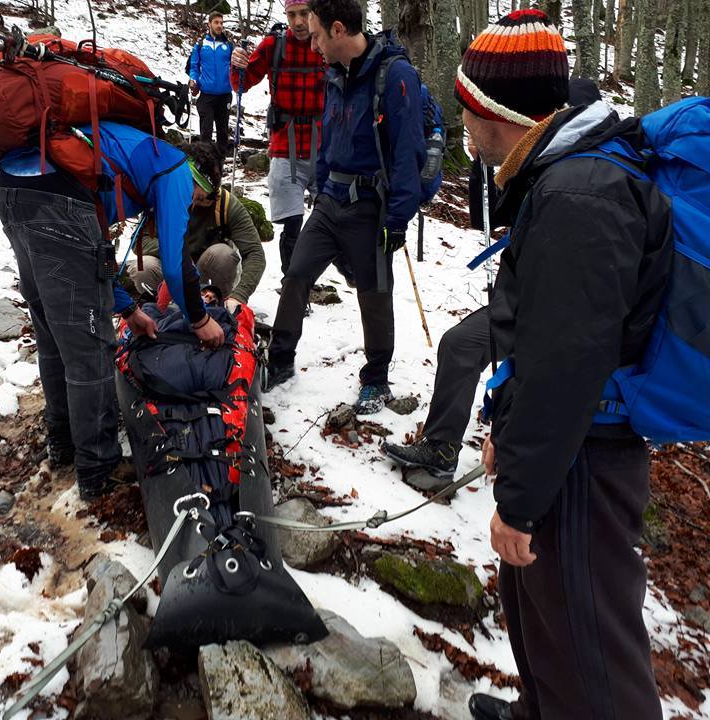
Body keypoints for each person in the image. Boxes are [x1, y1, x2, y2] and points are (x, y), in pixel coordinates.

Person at [450, 10, 671, 720]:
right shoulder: (558, 170)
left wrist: (520, 498)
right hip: (564, 450)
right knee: (540, 611)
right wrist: (505, 434)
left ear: (498, 112)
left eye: (468, 106)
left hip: (585, 457)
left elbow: (565, 368)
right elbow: (540, 341)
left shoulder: (581, 196)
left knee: (592, 652)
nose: (463, 120)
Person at [382, 78, 603, 486]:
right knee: (460, 344)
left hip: (565, 320)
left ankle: (541, 472)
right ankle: (442, 447)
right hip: (524, 302)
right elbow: (486, 216)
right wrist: (481, 162)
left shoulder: (585, 177)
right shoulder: (542, 165)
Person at [0, 125, 224, 502]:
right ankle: (98, 467)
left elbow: (95, 252)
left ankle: (63, 442)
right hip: (57, 202)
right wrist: (200, 319)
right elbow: (173, 264)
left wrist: (129, 309)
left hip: (14, 190)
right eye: (198, 200)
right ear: (203, 182)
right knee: (91, 346)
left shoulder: (130, 157)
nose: (191, 206)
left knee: (55, 334)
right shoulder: (177, 171)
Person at [262, 0, 426, 415]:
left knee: (373, 293)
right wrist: (320, 181)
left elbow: (408, 154)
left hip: (369, 207)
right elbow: (328, 134)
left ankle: (376, 379)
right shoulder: (334, 72)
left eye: (316, 34)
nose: (311, 43)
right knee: (297, 273)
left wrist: (398, 220)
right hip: (329, 199)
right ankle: (280, 361)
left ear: (337, 30)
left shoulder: (395, 75)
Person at [229, 0, 326, 275]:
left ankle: (316, 274)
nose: (298, 22)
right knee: (293, 222)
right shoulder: (275, 46)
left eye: (304, 14)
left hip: (324, 146)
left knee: (328, 219)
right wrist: (237, 63)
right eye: (292, 14)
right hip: (285, 145)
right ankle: (293, 282)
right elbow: (241, 84)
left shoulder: (326, 43)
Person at [126, 142, 266, 309]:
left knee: (223, 254)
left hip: (206, 274)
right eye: (191, 192)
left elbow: (255, 254)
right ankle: (157, 310)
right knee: (144, 266)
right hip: (170, 270)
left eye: (201, 199)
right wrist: (179, 254)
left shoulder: (227, 205)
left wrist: (240, 295)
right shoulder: (164, 196)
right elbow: (139, 242)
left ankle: (217, 309)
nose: (191, 201)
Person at [187, 12, 234, 156]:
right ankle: (204, 164)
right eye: (216, 22)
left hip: (224, 95)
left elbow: (235, 67)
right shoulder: (201, 45)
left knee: (222, 132)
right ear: (209, 24)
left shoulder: (228, 45)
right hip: (206, 96)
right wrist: (193, 79)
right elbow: (194, 67)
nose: (220, 25)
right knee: (205, 132)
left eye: (221, 23)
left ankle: (218, 166)